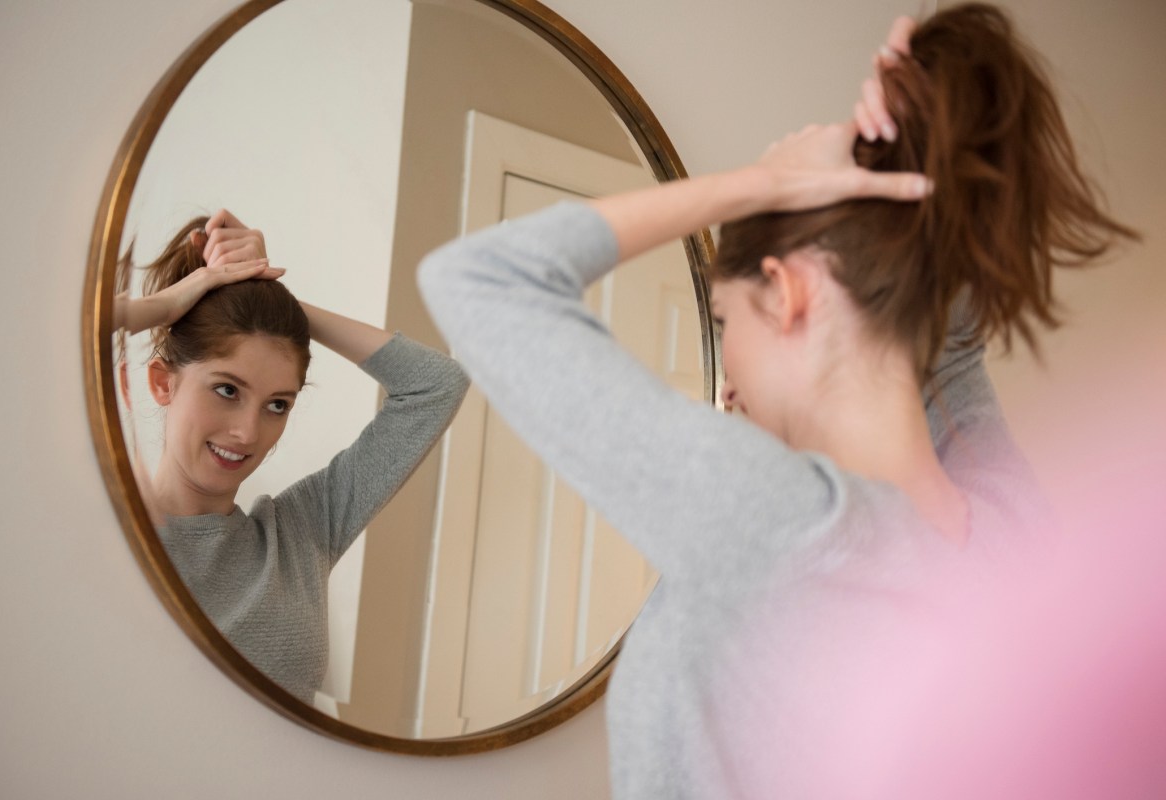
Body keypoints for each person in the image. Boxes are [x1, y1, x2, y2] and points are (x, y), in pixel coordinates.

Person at [417, 4, 1136, 797]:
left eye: (725, 320)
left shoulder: (778, 521)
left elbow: (477, 279)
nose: (727, 379)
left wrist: (764, 185)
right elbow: (949, 338)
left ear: (786, 293)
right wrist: (910, 130)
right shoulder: (1011, 530)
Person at [116, 210, 469, 703]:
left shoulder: (301, 535)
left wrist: (275, 297)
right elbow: (33, 329)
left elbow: (436, 385)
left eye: (277, 404)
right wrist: (168, 303)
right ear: (160, 383)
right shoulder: (107, 536)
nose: (247, 432)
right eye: (226, 389)